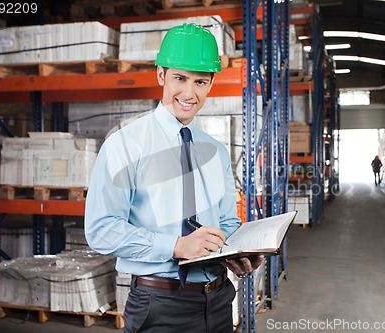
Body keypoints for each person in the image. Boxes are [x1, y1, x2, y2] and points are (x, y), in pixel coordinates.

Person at [84, 23, 263, 333]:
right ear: (161, 75)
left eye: (200, 82)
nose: (189, 93)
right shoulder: (125, 145)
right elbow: (102, 230)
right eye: (180, 78)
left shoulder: (215, 151)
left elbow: (226, 221)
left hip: (219, 299)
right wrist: (175, 246)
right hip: (160, 305)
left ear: (210, 84)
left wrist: (239, 251)